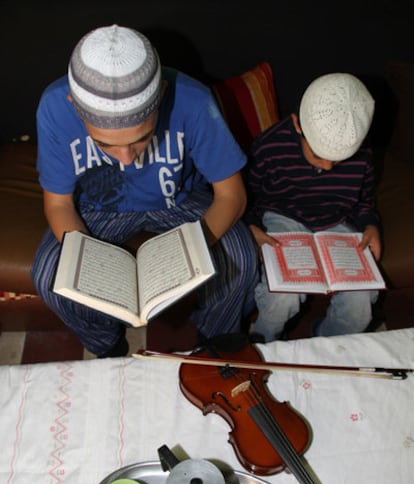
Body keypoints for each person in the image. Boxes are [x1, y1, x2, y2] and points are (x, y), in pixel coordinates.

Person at [31, 24, 258, 357]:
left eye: (140, 137)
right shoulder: (54, 107)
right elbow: (59, 204)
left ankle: (215, 341)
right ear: (72, 104)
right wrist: (91, 263)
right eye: (105, 143)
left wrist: (192, 249)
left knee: (241, 257)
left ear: (162, 94)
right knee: (49, 274)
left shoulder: (194, 100)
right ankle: (106, 345)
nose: (126, 158)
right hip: (99, 207)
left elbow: (232, 196)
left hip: (179, 198)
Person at [245, 72, 381, 342]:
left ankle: (329, 341)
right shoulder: (268, 146)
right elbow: (248, 196)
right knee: (281, 298)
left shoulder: (364, 154)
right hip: (283, 217)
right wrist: (251, 227)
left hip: (336, 222)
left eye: (340, 159)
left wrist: (371, 224)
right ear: (297, 124)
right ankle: (264, 340)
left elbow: (364, 200)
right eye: (318, 155)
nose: (328, 167)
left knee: (361, 301)